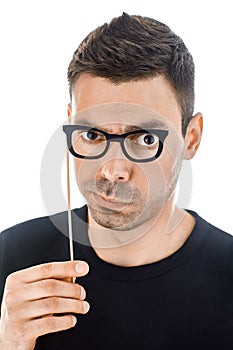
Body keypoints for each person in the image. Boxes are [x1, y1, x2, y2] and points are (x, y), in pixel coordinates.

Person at [0, 12, 232, 350]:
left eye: (146, 138)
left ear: (191, 138)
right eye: (92, 134)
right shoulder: (11, 260)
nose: (113, 171)